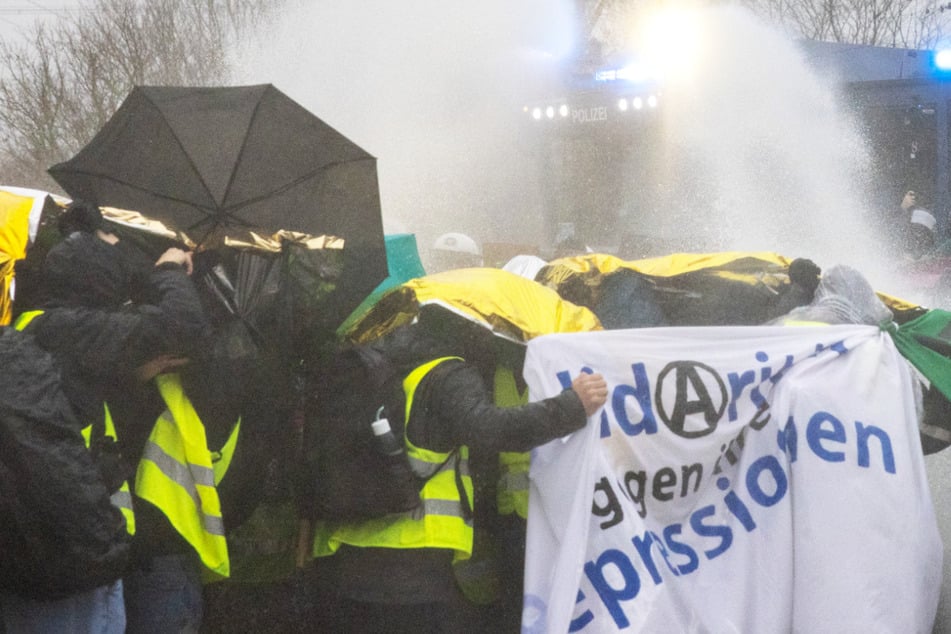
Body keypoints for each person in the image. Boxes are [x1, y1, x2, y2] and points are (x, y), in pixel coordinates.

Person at [307, 321, 608, 633]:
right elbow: (489, 429)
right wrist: (571, 406)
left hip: (338, 558)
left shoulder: (369, 367)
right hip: (411, 568)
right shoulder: (446, 372)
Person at [10, 200, 210, 632]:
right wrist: (169, 271)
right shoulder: (70, 331)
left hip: (30, 557)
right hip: (75, 565)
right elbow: (184, 325)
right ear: (96, 284)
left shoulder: (29, 329)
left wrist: (132, 372)